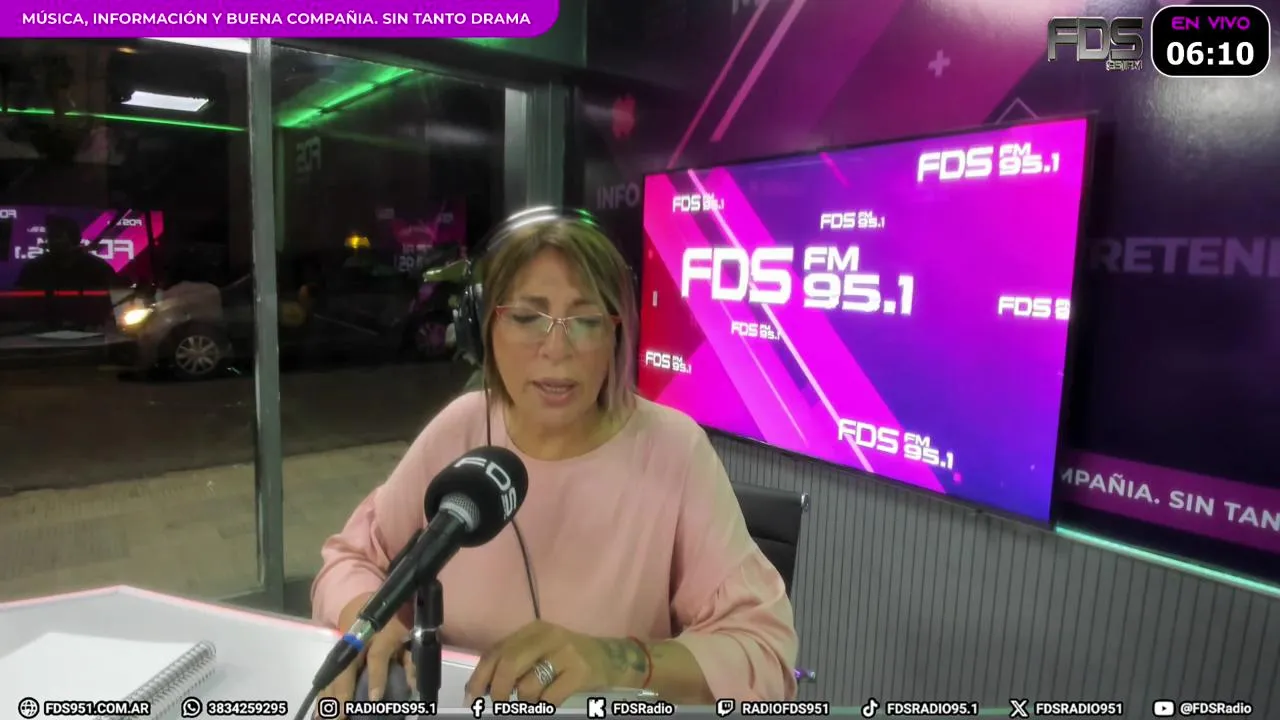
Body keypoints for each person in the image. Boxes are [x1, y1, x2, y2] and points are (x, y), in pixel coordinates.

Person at [311, 215, 798, 713]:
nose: (557, 350)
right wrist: (367, 623)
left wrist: (616, 660)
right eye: (527, 318)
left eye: (586, 321)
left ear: (616, 335)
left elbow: (765, 651)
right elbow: (350, 560)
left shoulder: (674, 451)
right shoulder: (460, 430)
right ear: (484, 327)